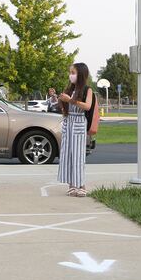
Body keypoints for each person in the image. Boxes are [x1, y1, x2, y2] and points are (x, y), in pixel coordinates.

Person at [57, 63, 93, 197]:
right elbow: (64, 107)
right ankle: (71, 184)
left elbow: (87, 106)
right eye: (70, 72)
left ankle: (82, 185)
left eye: (73, 72)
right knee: (68, 154)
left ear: (81, 74)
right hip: (68, 122)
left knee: (78, 155)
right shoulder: (69, 89)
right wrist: (61, 102)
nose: (70, 75)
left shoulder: (87, 90)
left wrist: (70, 100)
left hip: (78, 122)